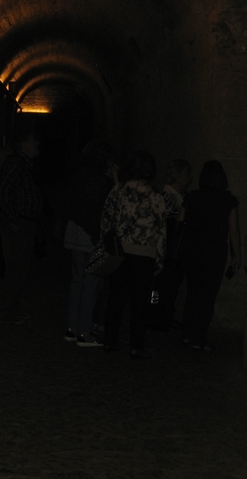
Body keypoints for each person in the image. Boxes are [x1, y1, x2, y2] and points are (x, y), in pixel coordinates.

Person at [100, 151, 167, 359]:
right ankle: (136, 345)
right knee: (140, 303)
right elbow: (161, 230)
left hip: (120, 251)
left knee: (116, 298)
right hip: (145, 255)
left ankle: (110, 340)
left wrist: (107, 245)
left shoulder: (118, 190)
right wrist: (159, 260)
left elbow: (106, 220)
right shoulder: (155, 196)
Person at [60, 141, 118, 346]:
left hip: (74, 231)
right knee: (91, 284)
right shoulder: (100, 181)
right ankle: (84, 331)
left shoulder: (78, 175)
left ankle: (72, 327)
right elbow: (104, 208)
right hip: (90, 234)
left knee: (77, 281)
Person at [179, 160, 241, 351]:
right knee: (207, 296)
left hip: (192, 250)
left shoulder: (193, 197)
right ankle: (198, 338)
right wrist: (236, 255)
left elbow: (180, 222)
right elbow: (233, 230)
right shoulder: (228, 200)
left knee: (193, 292)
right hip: (214, 253)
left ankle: (187, 334)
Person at [0, 126, 44, 325]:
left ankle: (12, 308)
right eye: (33, 140)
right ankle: (7, 311)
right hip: (19, 223)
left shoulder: (24, 165)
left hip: (23, 222)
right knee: (16, 268)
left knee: (19, 269)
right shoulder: (17, 164)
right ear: (23, 144)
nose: (37, 144)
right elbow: (4, 191)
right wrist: (13, 219)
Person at [146, 159, 192, 331]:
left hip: (170, 251)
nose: (190, 178)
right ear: (177, 176)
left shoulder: (178, 196)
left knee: (167, 287)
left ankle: (162, 315)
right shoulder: (169, 198)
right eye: (187, 174)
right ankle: (155, 315)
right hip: (167, 251)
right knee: (160, 287)